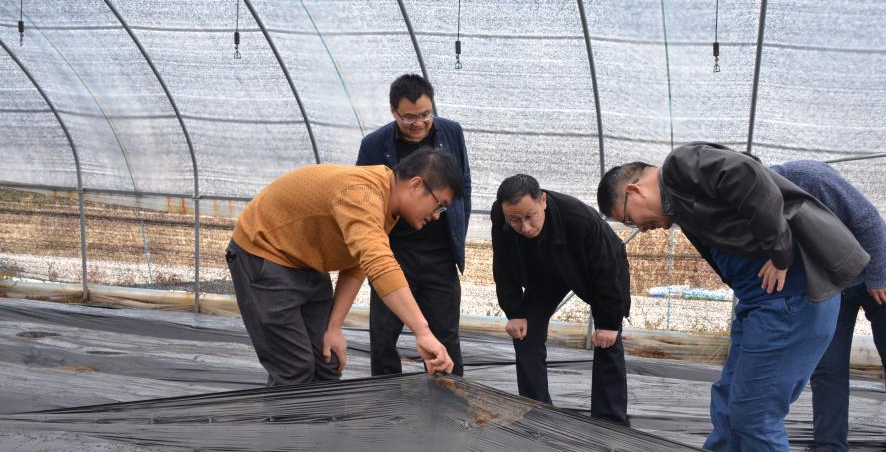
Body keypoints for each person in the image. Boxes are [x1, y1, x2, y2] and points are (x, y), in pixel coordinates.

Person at [597, 142, 869, 452]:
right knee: (727, 403)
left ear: (634, 190)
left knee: (755, 415)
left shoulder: (680, 166)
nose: (640, 229)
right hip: (759, 303)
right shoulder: (683, 202)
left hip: (788, 301)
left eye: (629, 219)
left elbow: (746, 172)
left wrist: (780, 252)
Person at [225, 148, 461, 386]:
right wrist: (422, 332)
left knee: (328, 360)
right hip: (264, 252)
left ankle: (321, 411)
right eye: (438, 205)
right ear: (416, 185)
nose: (437, 216)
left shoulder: (386, 198)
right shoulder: (362, 195)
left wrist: (335, 328)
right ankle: (287, 410)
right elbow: (379, 263)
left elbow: (357, 262)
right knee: (293, 367)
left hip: (305, 261)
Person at [768, 160, 886, 452]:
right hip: (832, 282)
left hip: (879, 269)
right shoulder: (755, 206)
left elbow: (867, 219)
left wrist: (878, 275)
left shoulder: (808, 177)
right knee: (827, 365)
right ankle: (830, 448)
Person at [491, 174, 631, 425]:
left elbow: (606, 270)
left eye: (530, 216)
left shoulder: (579, 219)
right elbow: (503, 264)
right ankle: (536, 411)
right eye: (515, 220)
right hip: (545, 272)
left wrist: (609, 322)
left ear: (543, 201)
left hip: (594, 268)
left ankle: (610, 421)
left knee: (607, 339)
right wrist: (514, 312)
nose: (525, 227)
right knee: (525, 332)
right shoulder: (501, 215)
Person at [356, 74, 471, 377]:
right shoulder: (374, 145)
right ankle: (386, 396)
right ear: (393, 111)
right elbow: (364, 198)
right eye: (409, 117)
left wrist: (456, 233)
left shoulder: (451, 133)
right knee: (384, 334)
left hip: (440, 254)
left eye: (425, 115)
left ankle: (448, 395)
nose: (419, 123)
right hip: (393, 252)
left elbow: (463, 187)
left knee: (445, 334)